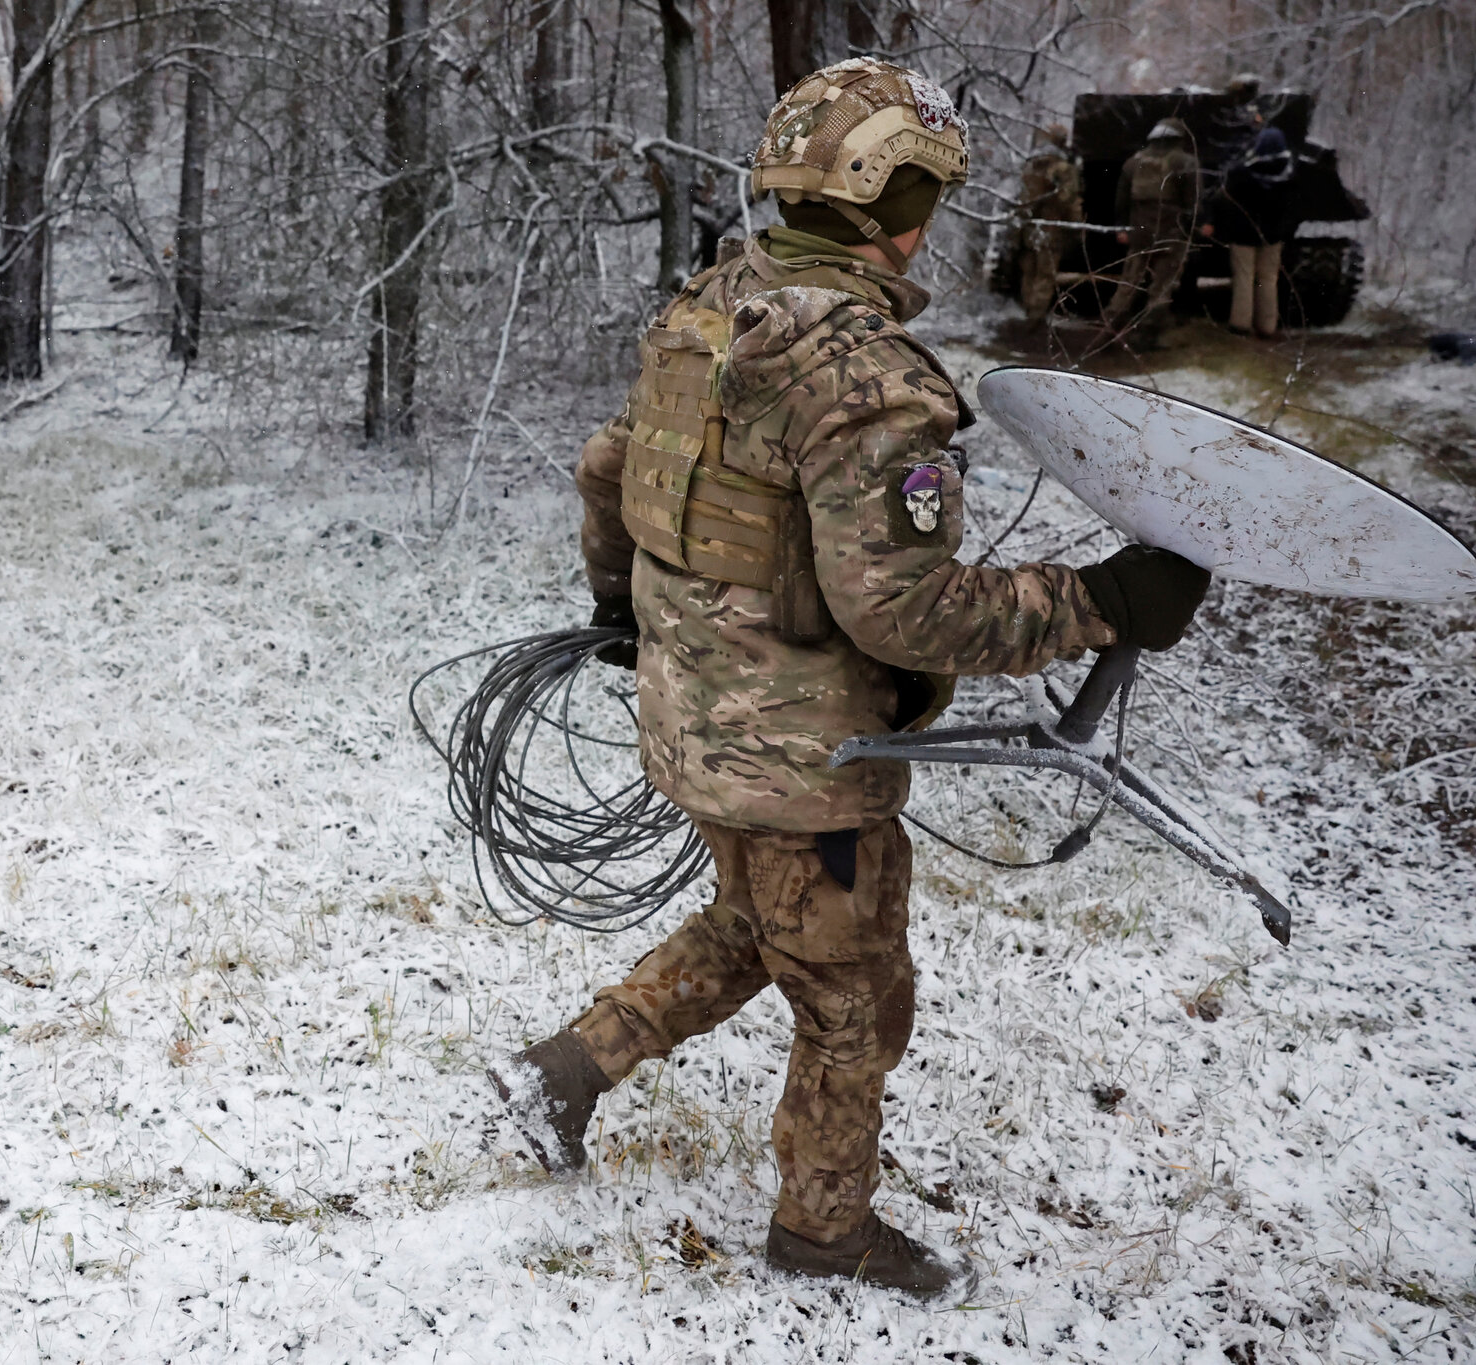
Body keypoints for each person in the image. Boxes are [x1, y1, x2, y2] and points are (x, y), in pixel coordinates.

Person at [488, 57, 1211, 1302]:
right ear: (895, 201)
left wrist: (621, 609)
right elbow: (906, 608)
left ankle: (564, 1072)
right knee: (854, 996)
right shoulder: (863, 375)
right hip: (803, 766)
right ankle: (821, 1234)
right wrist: (1096, 604)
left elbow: (609, 470)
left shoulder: (710, 305)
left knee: (757, 929)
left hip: (694, 720)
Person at [1102, 118, 1200, 341]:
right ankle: (1150, 334)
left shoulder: (1132, 162)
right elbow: (1192, 203)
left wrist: (1122, 228)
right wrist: (1188, 230)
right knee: (1162, 286)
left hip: (1140, 232)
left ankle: (1108, 328)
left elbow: (1121, 201)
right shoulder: (1185, 162)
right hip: (1171, 233)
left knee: (1128, 284)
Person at [1204, 127, 1299, 338]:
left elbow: (1222, 199)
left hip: (1242, 234)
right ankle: (1267, 326)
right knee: (1268, 279)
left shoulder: (1241, 173)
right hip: (1273, 236)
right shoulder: (1290, 175)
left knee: (1244, 278)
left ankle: (1241, 324)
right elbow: (1292, 208)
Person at [1017, 123, 1082, 322]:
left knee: (1029, 270)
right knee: (1045, 274)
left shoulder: (1032, 164)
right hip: (1052, 227)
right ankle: (1035, 318)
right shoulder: (1064, 168)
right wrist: (1077, 226)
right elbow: (1068, 200)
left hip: (1029, 226)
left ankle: (1027, 310)